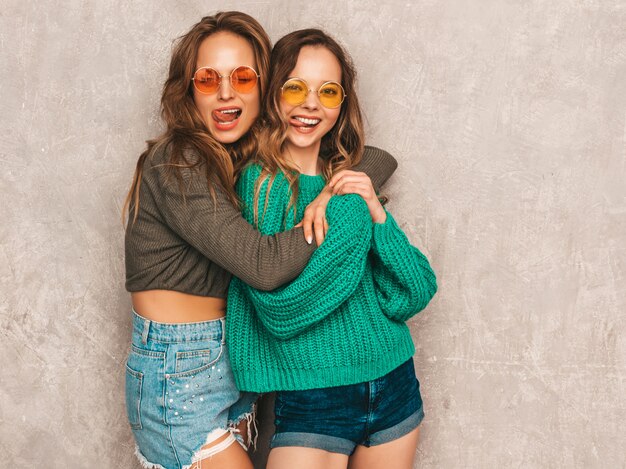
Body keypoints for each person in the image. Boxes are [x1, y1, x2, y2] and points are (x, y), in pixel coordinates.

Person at [122, 12, 398, 469]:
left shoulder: (243, 157)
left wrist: (333, 188)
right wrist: (332, 204)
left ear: (262, 91)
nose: (227, 92)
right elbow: (263, 266)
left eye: (243, 77)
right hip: (177, 372)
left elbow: (375, 158)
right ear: (187, 90)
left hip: (232, 365)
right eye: (208, 79)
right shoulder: (179, 160)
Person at [226, 29, 438, 469]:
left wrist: (375, 215)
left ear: (341, 104)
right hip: (313, 396)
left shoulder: (352, 182)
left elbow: (412, 294)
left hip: (393, 380)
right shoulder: (258, 185)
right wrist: (348, 210)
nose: (310, 104)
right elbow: (279, 310)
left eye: (328, 91)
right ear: (272, 95)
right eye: (295, 87)